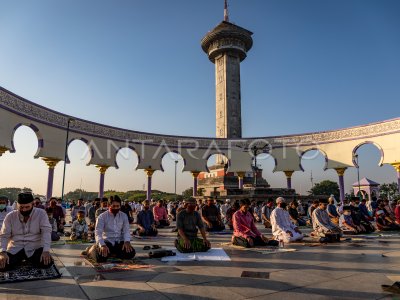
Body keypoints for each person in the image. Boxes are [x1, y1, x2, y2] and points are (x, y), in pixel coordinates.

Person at [0, 193, 53, 271]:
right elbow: (4, 235)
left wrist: (46, 251)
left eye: (27, 207)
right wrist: (2, 252)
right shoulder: (10, 216)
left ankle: (25, 260)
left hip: (34, 247)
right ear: (17, 205)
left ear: (33, 204)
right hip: (15, 248)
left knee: (46, 263)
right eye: (21, 207)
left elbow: (46, 232)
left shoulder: (41, 214)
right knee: (2, 266)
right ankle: (20, 260)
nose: (24, 210)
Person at [86, 195, 135, 262]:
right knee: (100, 258)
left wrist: (127, 241)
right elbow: (98, 232)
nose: (116, 208)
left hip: (118, 241)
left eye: (118, 206)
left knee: (130, 253)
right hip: (106, 242)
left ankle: (112, 253)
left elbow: (126, 230)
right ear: (109, 205)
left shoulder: (124, 216)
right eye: (113, 206)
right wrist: (102, 245)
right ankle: (91, 250)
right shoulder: (102, 216)